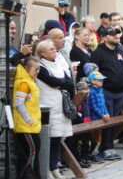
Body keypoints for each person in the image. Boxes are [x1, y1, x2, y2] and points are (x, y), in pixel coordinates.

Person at [91, 27, 123, 159]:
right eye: (112, 34)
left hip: (120, 92)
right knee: (107, 121)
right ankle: (105, 148)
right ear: (104, 37)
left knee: (114, 121)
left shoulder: (120, 50)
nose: (116, 36)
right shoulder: (98, 52)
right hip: (106, 91)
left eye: (117, 34)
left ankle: (109, 147)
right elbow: (94, 73)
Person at [35, 40, 73, 179]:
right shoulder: (40, 66)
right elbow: (52, 81)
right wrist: (60, 83)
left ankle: (54, 167)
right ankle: (46, 170)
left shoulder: (57, 64)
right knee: (46, 140)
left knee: (57, 139)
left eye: (55, 49)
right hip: (46, 107)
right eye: (52, 49)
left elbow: (69, 82)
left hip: (59, 107)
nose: (55, 51)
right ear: (43, 52)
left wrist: (60, 83)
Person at [13, 56, 41, 179]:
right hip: (26, 125)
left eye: (38, 69)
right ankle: (29, 176)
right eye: (35, 69)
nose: (37, 72)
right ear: (26, 69)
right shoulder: (24, 83)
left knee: (31, 151)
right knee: (31, 152)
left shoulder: (29, 81)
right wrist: (28, 119)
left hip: (31, 124)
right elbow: (19, 103)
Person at [87, 71, 116, 160]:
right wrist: (102, 115)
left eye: (102, 80)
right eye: (99, 80)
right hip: (95, 118)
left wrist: (106, 113)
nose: (102, 81)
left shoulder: (100, 90)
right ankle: (92, 153)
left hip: (102, 117)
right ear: (93, 81)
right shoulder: (91, 92)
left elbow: (103, 104)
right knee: (95, 137)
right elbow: (93, 106)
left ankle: (95, 152)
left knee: (99, 137)